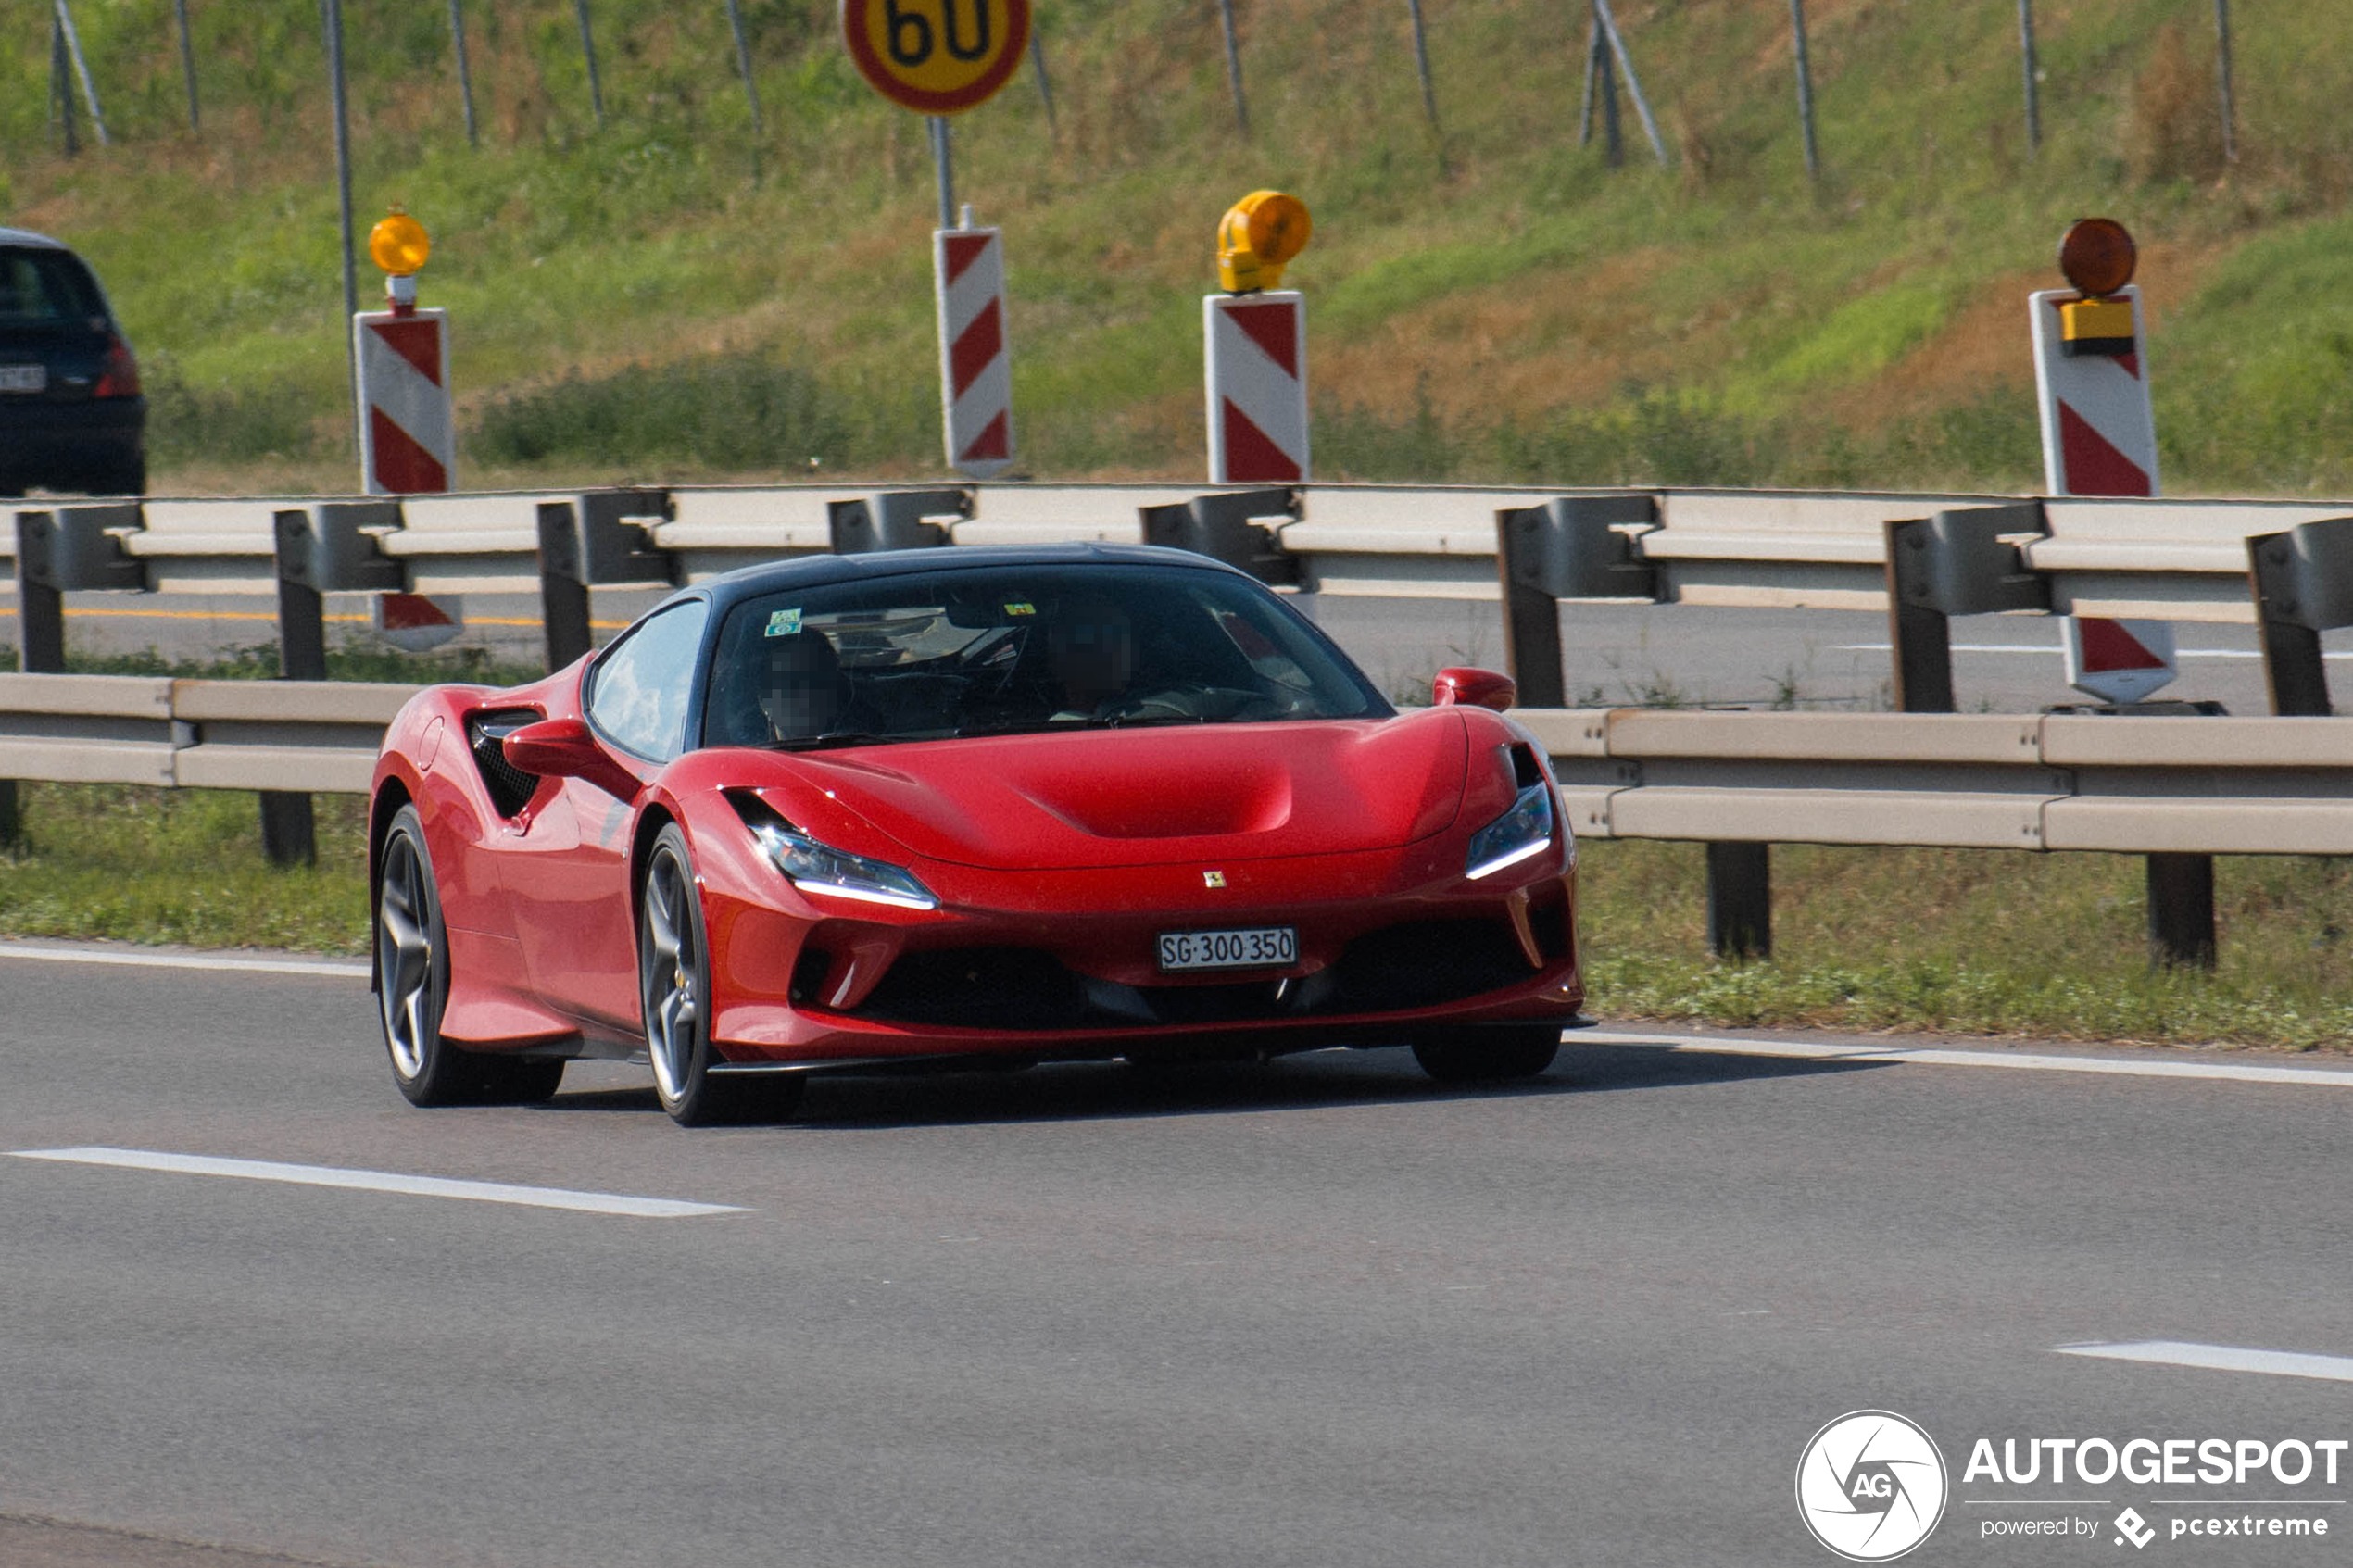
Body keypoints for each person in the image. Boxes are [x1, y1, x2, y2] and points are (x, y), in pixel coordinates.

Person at [756, 628, 850, 740]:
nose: (805, 693)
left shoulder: (872, 746)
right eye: (791, 683)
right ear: (763, 700)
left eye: (815, 680)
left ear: (836, 687)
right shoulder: (741, 755)